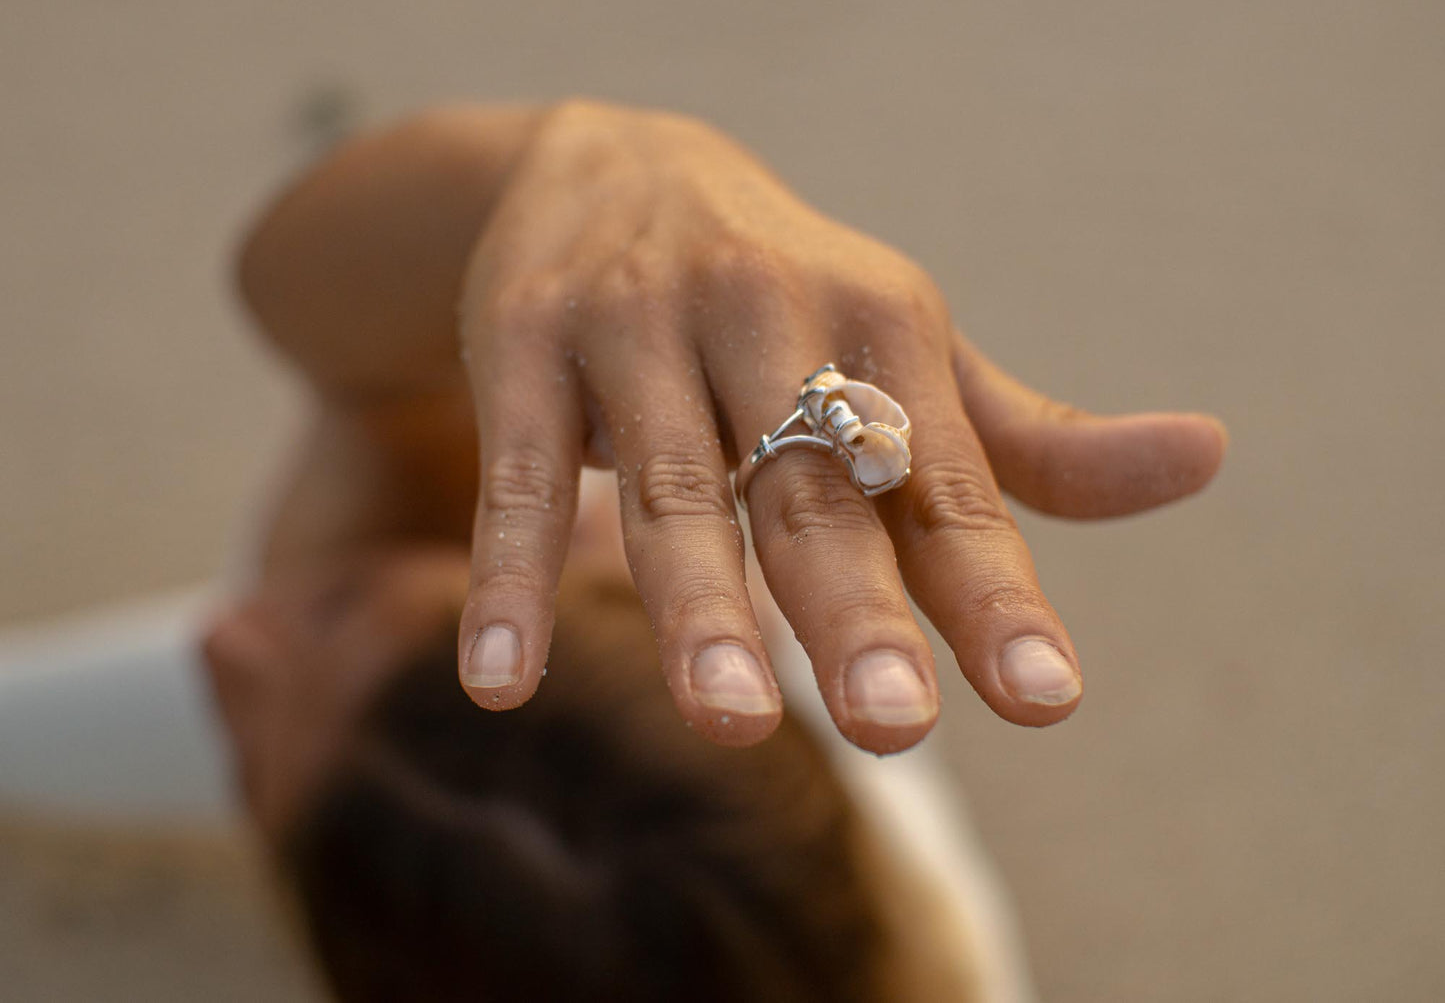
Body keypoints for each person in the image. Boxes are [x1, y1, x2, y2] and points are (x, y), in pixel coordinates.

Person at [202, 98, 1226, 1000]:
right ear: (608, 585)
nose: (221, 640)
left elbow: (338, 346)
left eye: (245, 767)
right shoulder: (782, 661)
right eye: (333, 605)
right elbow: (325, 322)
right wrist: (618, 170)